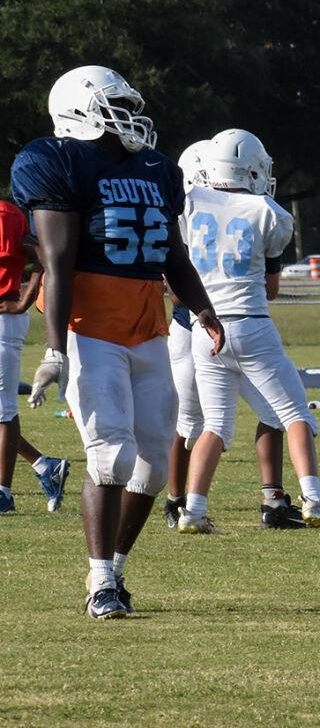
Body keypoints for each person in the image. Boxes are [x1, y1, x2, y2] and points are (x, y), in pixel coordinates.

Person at [9, 65, 224, 619]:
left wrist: (200, 306)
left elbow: (173, 253)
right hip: (90, 330)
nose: (128, 117)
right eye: (115, 106)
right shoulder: (56, 160)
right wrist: (54, 349)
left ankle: (118, 572)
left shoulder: (154, 166)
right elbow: (56, 261)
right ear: (79, 111)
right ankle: (98, 579)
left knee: (152, 466)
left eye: (129, 105)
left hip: (147, 328)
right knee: (111, 455)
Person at [178, 129, 320, 533]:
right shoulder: (269, 213)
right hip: (250, 323)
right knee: (295, 415)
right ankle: (314, 500)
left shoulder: (190, 203)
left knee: (216, 426)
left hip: (203, 327)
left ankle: (193, 510)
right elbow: (270, 289)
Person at [164, 140, 301, 530]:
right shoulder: (230, 206)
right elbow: (176, 285)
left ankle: (269, 498)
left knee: (256, 415)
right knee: (193, 421)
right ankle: (178, 501)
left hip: (205, 328)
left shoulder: (197, 202)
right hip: (204, 328)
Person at [0, 196, 70, 514]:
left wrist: (26, 298)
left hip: (4, 314)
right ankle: (45, 466)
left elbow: (43, 254)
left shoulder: (6, 215)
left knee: (3, 411)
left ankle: (3, 492)